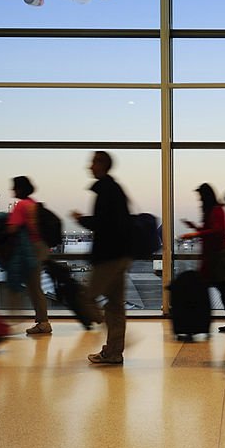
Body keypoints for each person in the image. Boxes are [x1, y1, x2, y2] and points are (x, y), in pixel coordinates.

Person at [73, 151, 133, 365]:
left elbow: (104, 224)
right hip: (120, 255)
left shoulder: (106, 190)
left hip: (109, 256)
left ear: (102, 165)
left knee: (86, 298)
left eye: (93, 163)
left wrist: (83, 221)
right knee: (116, 306)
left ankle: (111, 336)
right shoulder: (114, 189)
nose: (89, 167)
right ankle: (114, 351)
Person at [181, 183, 225, 333]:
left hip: (215, 258)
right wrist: (194, 227)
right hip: (212, 258)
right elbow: (212, 231)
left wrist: (196, 233)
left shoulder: (216, 210)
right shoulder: (216, 210)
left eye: (201, 196)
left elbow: (216, 231)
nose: (199, 200)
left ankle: (201, 322)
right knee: (223, 291)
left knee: (217, 290)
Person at [7, 176, 52, 335]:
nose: (12, 190)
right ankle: (42, 321)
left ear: (19, 189)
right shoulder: (33, 204)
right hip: (40, 247)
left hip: (29, 250)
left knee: (31, 286)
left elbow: (12, 228)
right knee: (35, 286)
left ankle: (42, 322)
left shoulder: (21, 205)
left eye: (14, 187)